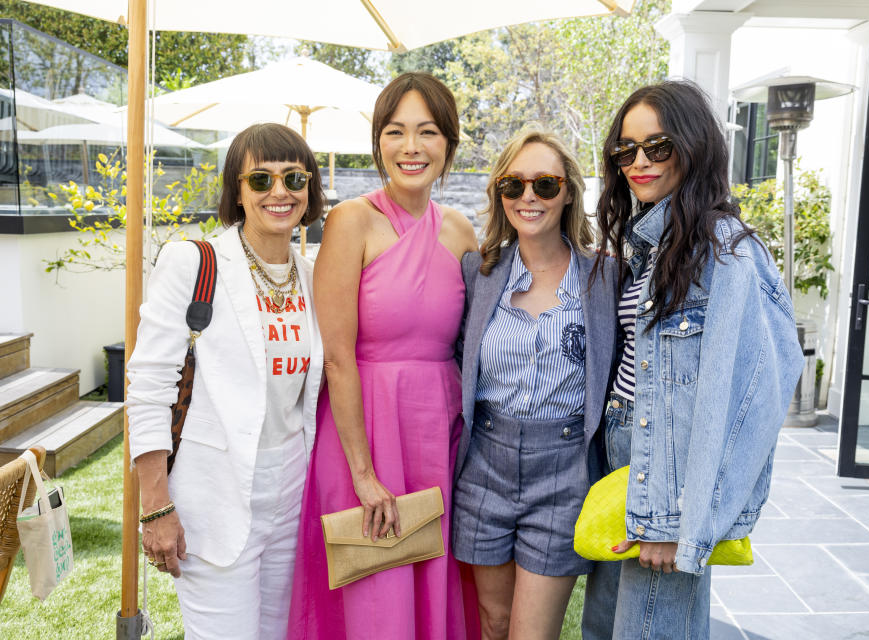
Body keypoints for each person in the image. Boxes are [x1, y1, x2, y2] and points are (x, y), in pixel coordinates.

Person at [580, 80, 805, 639]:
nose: (639, 162)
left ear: (693, 145)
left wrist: (679, 516)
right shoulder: (654, 242)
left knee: (651, 628)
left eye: (658, 147)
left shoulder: (723, 248)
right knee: (610, 624)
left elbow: (749, 392)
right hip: (624, 449)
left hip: (667, 471)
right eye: (625, 150)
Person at [286, 72, 479, 640]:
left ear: (449, 145)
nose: (411, 147)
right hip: (364, 430)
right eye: (395, 132)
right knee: (375, 594)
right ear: (378, 145)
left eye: (427, 132)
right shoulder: (350, 221)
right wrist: (364, 475)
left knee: (435, 584)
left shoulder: (462, 231)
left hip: (440, 433)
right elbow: (337, 358)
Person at [126, 123, 326, 639]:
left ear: (311, 189)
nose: (279, 192)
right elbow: (148, 387)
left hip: (292, 500)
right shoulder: (194, 263)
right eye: (260, 179)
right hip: (214, 502)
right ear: (237, 190)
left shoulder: (312, 276)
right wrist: (156, 505)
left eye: (294, 178)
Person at [452, 129, 618, 640]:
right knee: (494, 623)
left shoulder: (606, 278)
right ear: (500, 194)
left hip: (564, 469)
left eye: (544, 185)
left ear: (568, 190)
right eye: (513, 184)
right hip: (485, 463)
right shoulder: (477, 273)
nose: (528, 197)